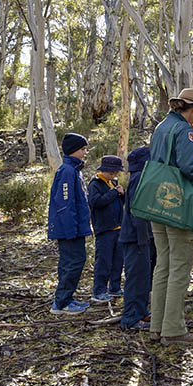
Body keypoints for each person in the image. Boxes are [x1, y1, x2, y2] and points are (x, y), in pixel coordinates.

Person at [149, 88, 193, 345]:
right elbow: (188, 166)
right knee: (180, 267)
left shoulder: (161, 127)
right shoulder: (184, 131)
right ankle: (173, 330)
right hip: (178, 205)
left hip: (156, 202)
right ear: (191, 109)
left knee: (163, 264)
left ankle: (157, 325)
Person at [47, 133, 92, 315]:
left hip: (75, 227)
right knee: (74, 261)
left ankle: (66, 298)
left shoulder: (75, 171)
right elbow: (65, 204)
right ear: (73, 150)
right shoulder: (67, 171)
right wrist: (70, 229)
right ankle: (62, 302)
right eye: (82, 149)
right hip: (69, 230)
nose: (85, 153)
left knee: (71, 262)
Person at [120, 147, 154, 330]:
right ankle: (131, 318)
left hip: (141, 237)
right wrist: (143, 238)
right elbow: (137, 211)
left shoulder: (140, 177)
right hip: (135, 238)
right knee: (136, 278)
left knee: (143, 278)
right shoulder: (139, 178)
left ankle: (140, 312)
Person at [88, 155, 126, 302]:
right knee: (103, 261)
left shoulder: (113, 183)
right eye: (111, 173)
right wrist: (114, 193)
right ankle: (99, 291)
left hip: (118, 227)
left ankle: (115, 288)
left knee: (118, 260)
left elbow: (120, 202)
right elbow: (96, 202)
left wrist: (122, 194)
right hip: (104, 229)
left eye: (116, 173)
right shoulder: (95, 184)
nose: (114, 175)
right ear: (103, 170)